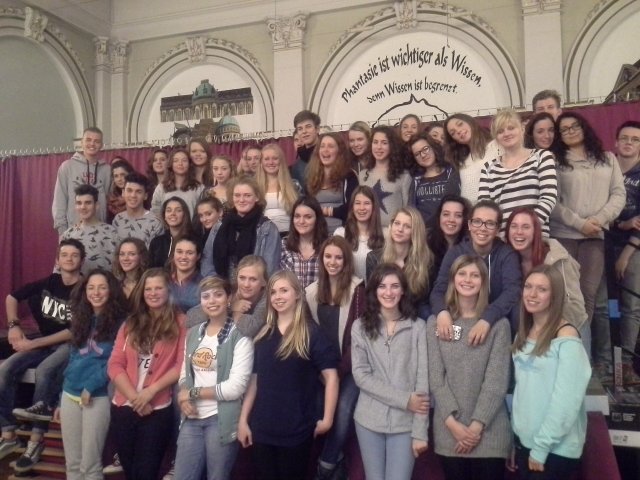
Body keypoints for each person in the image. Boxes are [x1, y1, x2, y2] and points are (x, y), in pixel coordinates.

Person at [237, 271, 339, 480]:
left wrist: (327, 419)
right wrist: (243, 420)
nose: (278, 296)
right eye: (273, 292)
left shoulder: (311, 332)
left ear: (298, 294)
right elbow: (255, 381)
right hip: (262, 428)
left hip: (296, 430)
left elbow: (331, 378)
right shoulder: (263, 334)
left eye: (284, 290)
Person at [550, 112, 625, 367]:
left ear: (584, 127)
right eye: (564, 129)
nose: (570, 131)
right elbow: (552, 201)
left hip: (596, 235)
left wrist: (599, 219)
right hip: (564, 234)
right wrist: (579, 223)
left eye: (574, 126)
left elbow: (618, 194)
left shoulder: (608, 158)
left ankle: (581, 353)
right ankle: (565, 352)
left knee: (587, 295)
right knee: (565, 295)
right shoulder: (555, 161)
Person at [427, 255, 512, 480]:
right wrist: (453, 424)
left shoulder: (498, 325)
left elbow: (496, 382)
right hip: (449, 431)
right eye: (462, 274)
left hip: (489, 432)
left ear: (483, 282)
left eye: (475, 275)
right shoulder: (436, 323)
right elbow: (436, 378)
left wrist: (476, 426)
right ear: (453, 279)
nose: (467, 279)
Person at [1, 240, 84, 468]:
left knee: (45, 371)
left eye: (74, 255)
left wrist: (33, 344)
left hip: (69, 344)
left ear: (81, 260)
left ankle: (36, 440)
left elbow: (74, 331)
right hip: (42, 341)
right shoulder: (50, 282)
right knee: (4, 369)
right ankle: (8, 433)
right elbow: (12, 297)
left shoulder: (86, 288)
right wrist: (14, 326)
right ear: (57, 260)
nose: (69, 259)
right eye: (64, 255)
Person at [511, 265, 591, 479]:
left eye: (542, 289)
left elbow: (566, 401)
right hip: (526, 444)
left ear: (554, 296)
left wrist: (541, 447)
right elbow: (523, 393)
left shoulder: (567, 337)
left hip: (554, 451)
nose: (532, 294)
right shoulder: (523, 333)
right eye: (528, 286)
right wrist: (517, 440)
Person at [351, 263, 429, 480]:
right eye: (382, 286)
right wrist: (404, 400)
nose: (388, 292)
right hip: (368, 420)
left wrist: (420, 432)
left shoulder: (418, 327)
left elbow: (422, 380)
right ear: (374, 291)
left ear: (403, 290)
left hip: (405, 423)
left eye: (395, 286)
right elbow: (361, 375)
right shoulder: (360, 327)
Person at [107, 268, 186, 480]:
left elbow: (180, 365)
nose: (153, 293)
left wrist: (150, 392)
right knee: (130, 471)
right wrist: (135, 398)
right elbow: (114, 364)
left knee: (146, 473)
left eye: (158, 288)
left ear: (168, 290)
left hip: (157, 409)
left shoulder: (181, 322)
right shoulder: (130, 323)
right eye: (148, 289)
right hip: (124, 406)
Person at [174, 276, 254, 480]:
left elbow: (235, 388)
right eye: (206, 296)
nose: (212, 301)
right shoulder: (194, 333)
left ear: (229, 298)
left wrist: (192, 393)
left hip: (221, 419)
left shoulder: (240, 335)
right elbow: (185, 373)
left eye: (218, 295)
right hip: (192, 417)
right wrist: (184, 397)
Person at [57, 269, 127, 480]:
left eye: (102, 287)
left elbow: (116, 362)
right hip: (69, 393)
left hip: (97, 396)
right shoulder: (81, 318)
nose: (96, 293)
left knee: (90, 465)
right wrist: (61, 398)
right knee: (73, 464)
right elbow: (73, 357)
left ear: (111, 291)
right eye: (91, 288)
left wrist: (91, 386)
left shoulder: (122, 323)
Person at [306, 237, 365, 479]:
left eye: (338, 257)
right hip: (321, 369)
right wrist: (323, 371)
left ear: (346, 261)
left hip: (350, 367)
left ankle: (326, 465)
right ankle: (337, 459)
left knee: (342, 410)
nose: (333, 262)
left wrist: (338, 373)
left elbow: (358, 339)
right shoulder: (310, 292)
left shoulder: (357, 290)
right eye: (328, 256)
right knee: (319, 409)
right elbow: (309, 335)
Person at [430, 200, 522, 341]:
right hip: (462, 313)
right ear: (469, 225)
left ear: (498, 229)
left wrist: (487, 318)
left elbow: (512, 291)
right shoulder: (455, 253)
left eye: (490, 223)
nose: (482, 228)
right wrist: (442, 312)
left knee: (517, 311)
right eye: (477, 222)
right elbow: (438, 290)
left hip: (496, 315)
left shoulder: (507, 254)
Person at [506, 207, 588, 334]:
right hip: (535, 330)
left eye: (526, 227)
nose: (519, 232)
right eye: (514, 226)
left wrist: (564, 335)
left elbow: (573, 305)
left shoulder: (557, 258)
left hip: (571, 327)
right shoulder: (509, 261)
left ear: (535, 231)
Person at [478, 109, 557, 235]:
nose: (506, 133)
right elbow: (485, 209)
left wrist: (527, 228)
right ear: (496, 138)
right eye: (500, 131)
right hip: (502, 239)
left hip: (535, 236)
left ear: (522, 129)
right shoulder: (488, 168)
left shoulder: (542, 157)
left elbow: (549, 197)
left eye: (511, 128)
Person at [607, 120, 640, 377]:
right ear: (616, 142)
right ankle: (607, 359)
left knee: (630, 305)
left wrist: (627, 254)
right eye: (625, 138)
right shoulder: (606, 167)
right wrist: (621, 223)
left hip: (633, 247)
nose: (629, 142)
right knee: (606, 305)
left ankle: (626, 363)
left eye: (635, 139)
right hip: (605, 242)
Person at [202, 176, 281, 279]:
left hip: (255, 286)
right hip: (220, 286)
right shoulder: (219, 226)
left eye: (247, 195)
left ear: (256, 197)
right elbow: (207, 262)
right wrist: (218, 286)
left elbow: (270, 269)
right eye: (237, 195)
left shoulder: (268, 229)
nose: (241, 200)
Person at [366, 206, 433, 318]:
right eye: (397, 223)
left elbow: (423, 302)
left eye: (407, 226)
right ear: (391, 225)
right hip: (383, 316)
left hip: (414, 316)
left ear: (415, 231)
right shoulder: (373, 258)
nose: (400, 229)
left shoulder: (425, 260)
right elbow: (372, 296)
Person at [52, 127, 111, 235]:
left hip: (100, 233)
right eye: (88, 140)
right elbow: (59, 200)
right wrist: (62, 231)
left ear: (101, 145)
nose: (92, 144)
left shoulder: (107, 170)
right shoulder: (67, 167)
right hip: (72, 231)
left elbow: (108, 199)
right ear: (81, 142)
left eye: (97, 141)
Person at [359, 125, 411, 227]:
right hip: (368, 232)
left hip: (393, 233)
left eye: (384, 143)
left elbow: (407, 211)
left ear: (392, 146)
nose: (379, 147)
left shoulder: (404, 176)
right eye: (375, 142)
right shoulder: (362, 175)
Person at [306, 132, 358, 234]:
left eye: (330, 146)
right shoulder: (311, 176)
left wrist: (326, 211)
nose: (325, 150)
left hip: (341, 233)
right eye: (322, 146)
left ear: (339, 151)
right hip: (316, 234)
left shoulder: (349, 175)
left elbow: (352, 206)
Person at [60, 184, 119, 275]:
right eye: (79, 203)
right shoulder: (68, 235)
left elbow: (118, 267)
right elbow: (60, 268)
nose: (83, 207)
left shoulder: (110, 232)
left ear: (97, 205)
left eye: (88, 203)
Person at [443, 113, 499, 205]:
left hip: (496, 208)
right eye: (453, 133)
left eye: (460, 124)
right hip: (471, 211)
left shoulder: (496, 146)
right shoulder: (463, 162)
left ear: (470, 122)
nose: (458, 131)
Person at [408, 132, 460, 226]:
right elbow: (411, 210)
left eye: (425, 149)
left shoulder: (451, 173)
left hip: (447, 228)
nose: (423, 155)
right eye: (417, 154)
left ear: (433, 147)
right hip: (423, 231)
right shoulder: (416, 180)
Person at [334, 186, 385, 281]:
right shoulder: (340, 234)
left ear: (374, 207)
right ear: (352, 207)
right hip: (349, 287)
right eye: (357, 203)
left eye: (366, 203)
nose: (362, 208)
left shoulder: (385, 235)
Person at [280, 196, 329, 289]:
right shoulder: (284, 245)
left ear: (317, 219)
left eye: (308, 217)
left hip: (320, 297)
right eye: (297, 216)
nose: (301, 221)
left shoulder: (328, 245)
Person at [256, 143, 300, 235]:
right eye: (266, 159)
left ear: (281, 161)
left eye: (275, 158)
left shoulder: (294, 185)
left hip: (289, 234)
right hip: (263, 235)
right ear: (261, 162)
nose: (271, 162)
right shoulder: (254, 187)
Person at [112, 172, 164, 247]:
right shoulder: (118, 219)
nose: (133, 195)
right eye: (129, 190)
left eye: (138, 192)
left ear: (145, 196)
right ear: (123, 193)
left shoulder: (155, 223)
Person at [151, 148, 205, 219]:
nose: (180, 164)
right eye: (176, 161)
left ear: (189, 164)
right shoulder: (161, 187)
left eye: (184, 160)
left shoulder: (199, 188)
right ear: (171, 164)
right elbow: (155, 211)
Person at [427, 195, 470, 282]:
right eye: (446, 214)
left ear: (464, 219)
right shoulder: (427, 245)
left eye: (458, 215)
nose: (451, 220)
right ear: (439, 216)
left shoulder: (469, 247)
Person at [149, 196, 194, 268]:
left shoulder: (194, 240)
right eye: (169, 210)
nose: (173, 213)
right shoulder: (156, 242)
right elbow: (151, 269)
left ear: (184, 214)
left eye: (178, 210)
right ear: (164, 216)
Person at [169, 234, 203, 313]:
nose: (183, 257)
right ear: (173, 254)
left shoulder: (204, 285)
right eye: (179, 252)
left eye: (189, 253)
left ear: (198, 256)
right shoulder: (164, 281)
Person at [290, 110, 321, 188]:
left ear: (317, 129)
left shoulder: (327, 155)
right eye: (300, 128)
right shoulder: (296, 167)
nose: (304, 131)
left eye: (308, 126)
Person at [107, 157, 136, 222]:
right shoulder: (111, 199)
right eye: (116, 176)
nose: (119, 179)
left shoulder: (137, 195)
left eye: (122, 175)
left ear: (130, 174)